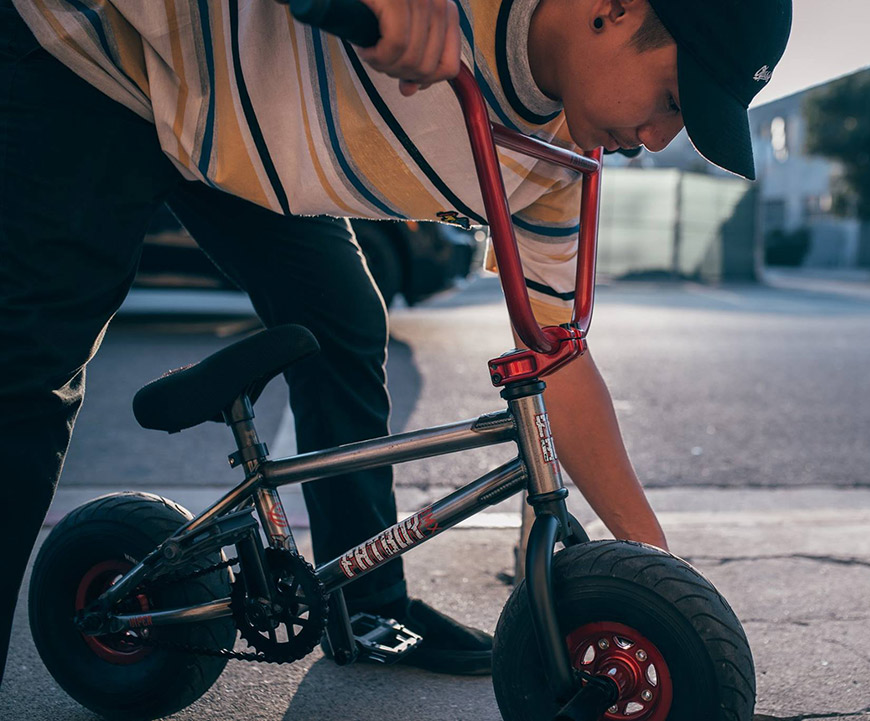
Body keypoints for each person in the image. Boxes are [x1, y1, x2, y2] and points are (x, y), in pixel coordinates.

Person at [0, 0, 792, 686]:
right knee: (29, 370)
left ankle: (363, 604)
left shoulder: (556, 164)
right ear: (617, 8)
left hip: (235, 128)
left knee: (342, 319)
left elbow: (558, 357)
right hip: (98, 55)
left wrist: (659, 575)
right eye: (671, 99)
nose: (658, 140)